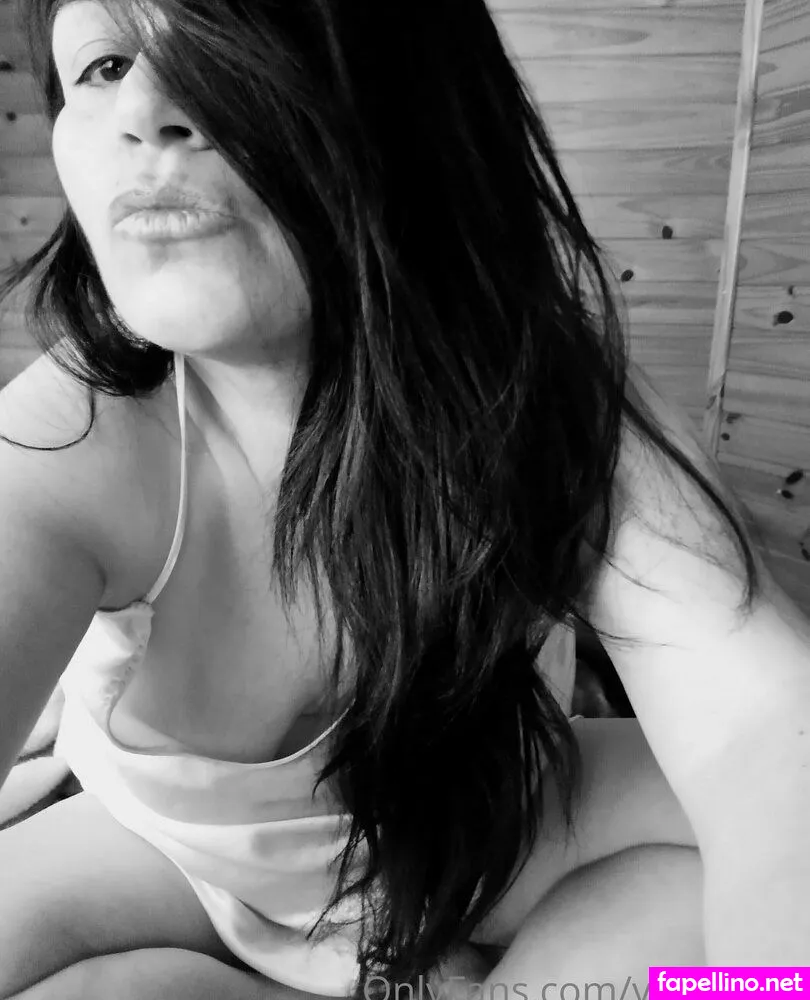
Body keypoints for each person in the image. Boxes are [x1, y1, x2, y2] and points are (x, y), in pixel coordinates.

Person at [0, 0, 808, 997]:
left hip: (480, 831)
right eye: (104, 65)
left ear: (406, 90)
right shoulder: (61, 439)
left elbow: (764, 732)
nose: (144, 110)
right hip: (172, 856)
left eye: (229, 38)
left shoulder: (554, 393)